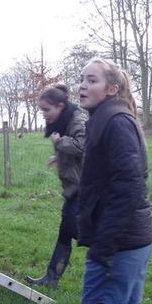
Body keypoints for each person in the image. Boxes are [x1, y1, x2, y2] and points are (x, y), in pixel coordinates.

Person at [57, 58, 152, 304]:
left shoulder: (115, 121)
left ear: (112, 88)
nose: (83, 86)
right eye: (81, 79)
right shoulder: (106, 117)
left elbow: (130, 185)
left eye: (92, 80)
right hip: (125, 240)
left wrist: (105, 243)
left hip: (119, 243)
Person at [25, 83, 87, 289]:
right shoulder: (65, 119)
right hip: (74, 188)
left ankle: (111, 263)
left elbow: (82, 145)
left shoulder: (78, 118)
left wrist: (60, 144)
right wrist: (59, 156)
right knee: (66, 231)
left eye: (46, 110)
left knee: (80, 232)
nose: (44, 114)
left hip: (85, 188)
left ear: (60, 106)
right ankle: (51, 279)